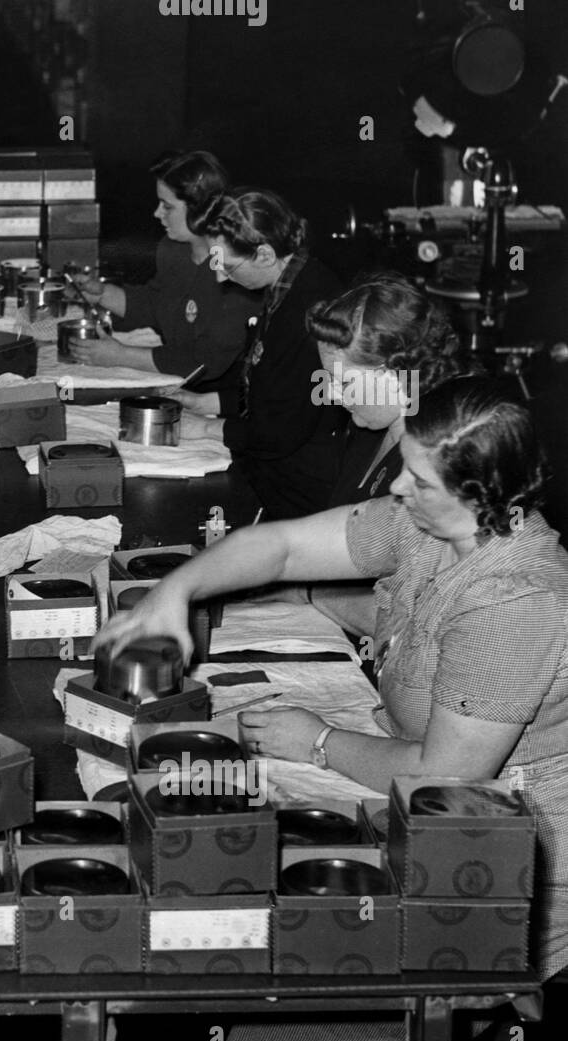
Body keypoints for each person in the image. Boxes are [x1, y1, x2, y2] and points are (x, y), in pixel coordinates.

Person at [96, 378, 568, 980]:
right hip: (420, 797)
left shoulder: (516, 602)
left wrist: (317, 743)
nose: (398, 486)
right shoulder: (430, 524)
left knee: (259, 924)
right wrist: (174, 590)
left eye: (420, 481)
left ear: (481, 496)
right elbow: (284, 547)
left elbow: (444, 779)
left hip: (504, 863)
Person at [277, 272, 469, 636]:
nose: (331, 394)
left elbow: (413, 622)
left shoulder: (436, 467)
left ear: (399, 371)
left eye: (344, 382)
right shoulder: (368, 428)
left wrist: (308, 592)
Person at [164, 187, 346, 520]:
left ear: (264, 255)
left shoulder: (311, 309)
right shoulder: (287, 285)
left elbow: (282, 429)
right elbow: (271, 383)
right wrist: (206, 403)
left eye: (229, 267)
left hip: (303, 488)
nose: (220, 277)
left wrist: (206, 428)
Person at [69, 150, 262, 387]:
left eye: (167, 206)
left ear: (200, 210)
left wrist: (121, 356)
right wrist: (103, 294)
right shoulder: (174, 251)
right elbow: (157, 304)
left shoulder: (235, 271)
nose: (157, 213)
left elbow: (206, 360)